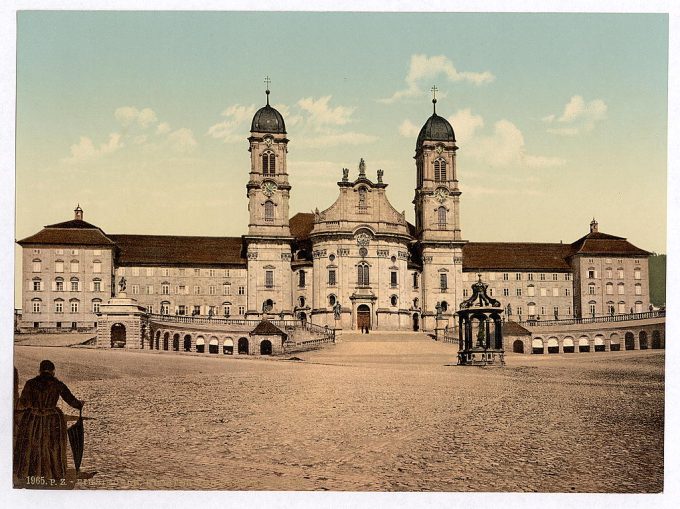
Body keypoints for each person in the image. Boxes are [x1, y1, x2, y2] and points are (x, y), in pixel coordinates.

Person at [14, 360, 84, 485]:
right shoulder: (57, 384)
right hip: (52, 420)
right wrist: (80, 405)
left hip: (33, 420)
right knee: (53, 447)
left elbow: (23, 403)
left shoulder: (30, 384)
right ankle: (53, 474)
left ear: (40, 371)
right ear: (53, 371)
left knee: (33, 445)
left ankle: (31, 473)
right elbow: (71, 400)